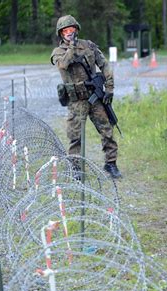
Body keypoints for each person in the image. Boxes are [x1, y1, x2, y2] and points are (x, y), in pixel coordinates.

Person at [50, 15, 121, 178]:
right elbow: (63, 65)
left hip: (95, 98)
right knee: (75, 137)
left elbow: (104, 65)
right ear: (61, 34)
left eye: (72, 29)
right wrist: (72, 47)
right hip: (76, 101)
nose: (69, 33)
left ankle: (111, 164)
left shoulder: (89, 46)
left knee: (107, 130)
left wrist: (109, 87)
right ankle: (75, 169)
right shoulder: (58, 52)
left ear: (77, 29)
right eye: (66, 31)